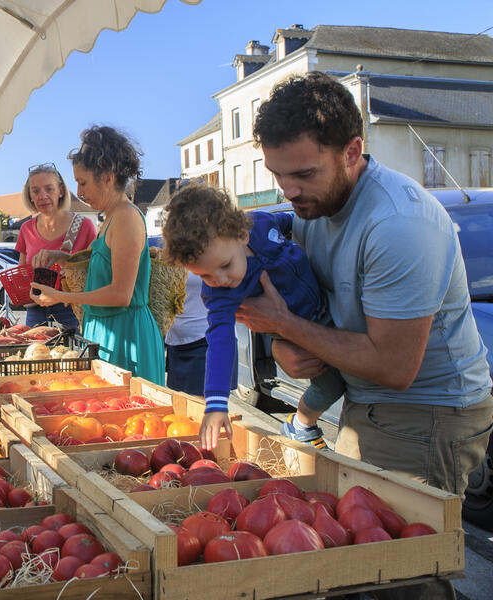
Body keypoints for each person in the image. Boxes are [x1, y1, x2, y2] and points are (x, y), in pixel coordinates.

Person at [237, 72, 492, 600]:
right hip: (368, 403)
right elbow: (317, 308)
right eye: (277, 174)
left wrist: (282, 325)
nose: (289, 191)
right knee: (363, 567)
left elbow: (395, 367)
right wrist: (288, 347)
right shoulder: (316, 207)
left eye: (303, 173)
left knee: (401, 575)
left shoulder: (398, 223)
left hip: (428, 414)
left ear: (353, 151)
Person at [163, 184, 342, 450]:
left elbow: (294, 224)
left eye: (225, 266)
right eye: (205, 276)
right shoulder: (219, 295)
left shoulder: (261, 224)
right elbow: (220, 342)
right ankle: (301, 425)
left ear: (242, 234)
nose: (220, 280)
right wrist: (216, 403)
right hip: (302, 331)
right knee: (331, 386)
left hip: (329, 306)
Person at [29, 126, 164, 384]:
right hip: (108, 331)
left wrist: (61, 296)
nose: (79, 192)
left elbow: (121, 294)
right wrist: (61, 256)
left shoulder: (126, 218)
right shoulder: (111, 217)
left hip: (126, 336)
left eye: (83, 182)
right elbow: (102, 265)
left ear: (108, 177)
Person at [15, 162, 96, 329]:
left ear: (60, 190)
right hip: (35, 311)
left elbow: (94, 273)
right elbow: (22, 272)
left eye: (49, 189)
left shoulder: (84, 226)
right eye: (35, 191)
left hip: (71, 311)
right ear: (30, 195)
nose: (42, 196)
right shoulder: (26, 229)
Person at [164, 271, 208, 397]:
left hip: (206, 340)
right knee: (179, 408)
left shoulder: (218, 253)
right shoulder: (167, 252)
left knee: (200, 408)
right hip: (175, 342)